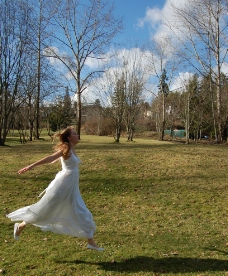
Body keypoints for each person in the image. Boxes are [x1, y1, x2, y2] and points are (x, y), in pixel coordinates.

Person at [6, 126, 104, 251]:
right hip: (62, 186)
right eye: (74, 134)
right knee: (44, 210)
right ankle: (20, 226)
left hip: (71, 187)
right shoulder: (66, 148)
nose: (77, 135)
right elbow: (50, 158)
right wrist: (31, 166)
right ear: (69, 138)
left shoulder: (72, 149)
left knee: (81, 211)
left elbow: (59, 160)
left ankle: (91, 242)